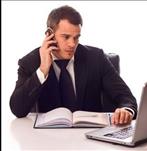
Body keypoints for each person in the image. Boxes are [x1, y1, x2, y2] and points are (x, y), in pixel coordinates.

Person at [10, 5, 138, 125]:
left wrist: (126, 110)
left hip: (91, 138)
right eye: (66, 37)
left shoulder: (96, 58)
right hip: (49, 139)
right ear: (50, 35)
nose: (72, 44)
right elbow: (17, 109)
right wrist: (43, 70)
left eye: (76, 37)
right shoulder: (30, 62)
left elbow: (127, 98)